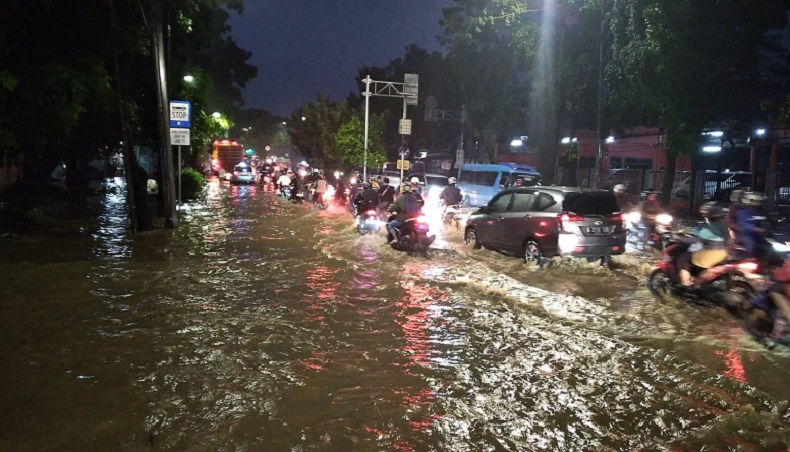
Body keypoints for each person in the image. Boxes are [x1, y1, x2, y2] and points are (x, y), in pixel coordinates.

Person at [676, 202, 729, 288]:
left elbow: (695, 240)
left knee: (683, 258)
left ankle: (685, 284)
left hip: (710, 254)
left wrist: (678, 237)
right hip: (723, 254)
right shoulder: (723, 226)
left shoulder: (708, 227)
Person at [732, 191, 767, 260]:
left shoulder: (759, 212)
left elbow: (764, 220)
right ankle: (750, 260)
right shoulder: (743, 212)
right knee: (751, 243)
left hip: (757, 235)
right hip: (744, 235)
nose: (759, 202)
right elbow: (743, 224)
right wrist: (756, 228)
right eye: (757, 200)